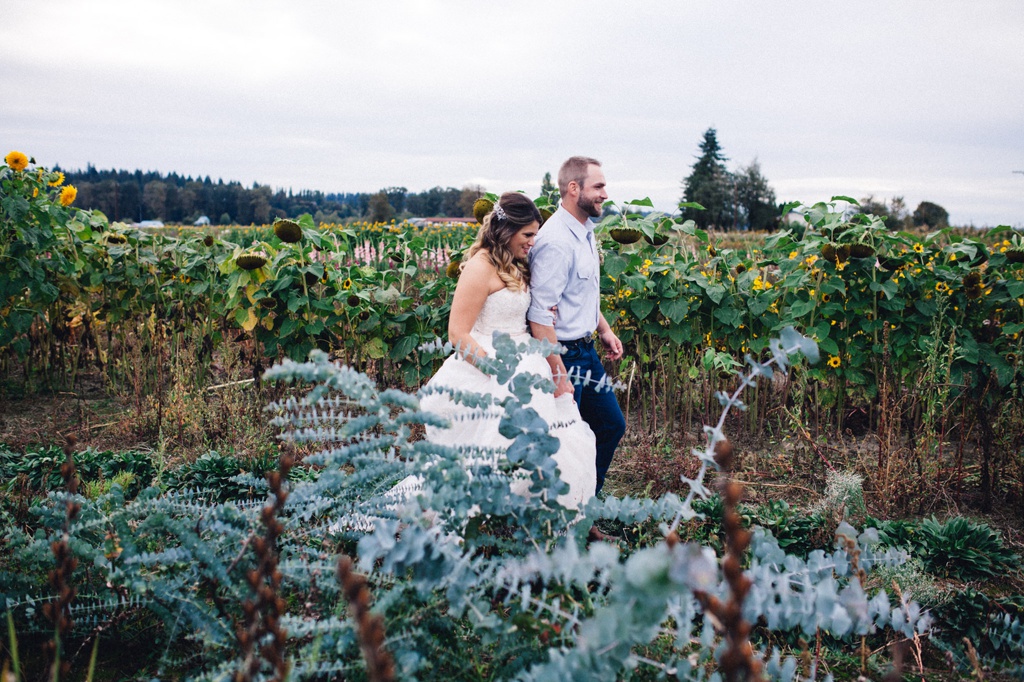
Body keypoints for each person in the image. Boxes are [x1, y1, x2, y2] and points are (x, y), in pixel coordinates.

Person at [418, 192, 597, 510]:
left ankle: (533, 514)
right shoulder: (480, 267)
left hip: (529, 359)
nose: (532, 242)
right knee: (495, 448)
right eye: (527, 235)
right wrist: (498, 371)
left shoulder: (518, 263)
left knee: (551, 438)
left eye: (535, 235)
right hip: (490, 363)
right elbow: (458, 334)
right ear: (506, 230)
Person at [527, 156, 627, 506]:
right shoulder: (556, 241)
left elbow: (580, 292)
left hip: (586, 350)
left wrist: (603, 328)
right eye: (598, 186)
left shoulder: (584, 230)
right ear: (574, 188)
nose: (604, 194)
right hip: (564, 354)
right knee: (569, 441)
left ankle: (585, 503)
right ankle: (566, 516)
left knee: (610, 426)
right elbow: (539, 315)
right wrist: (558, 371)